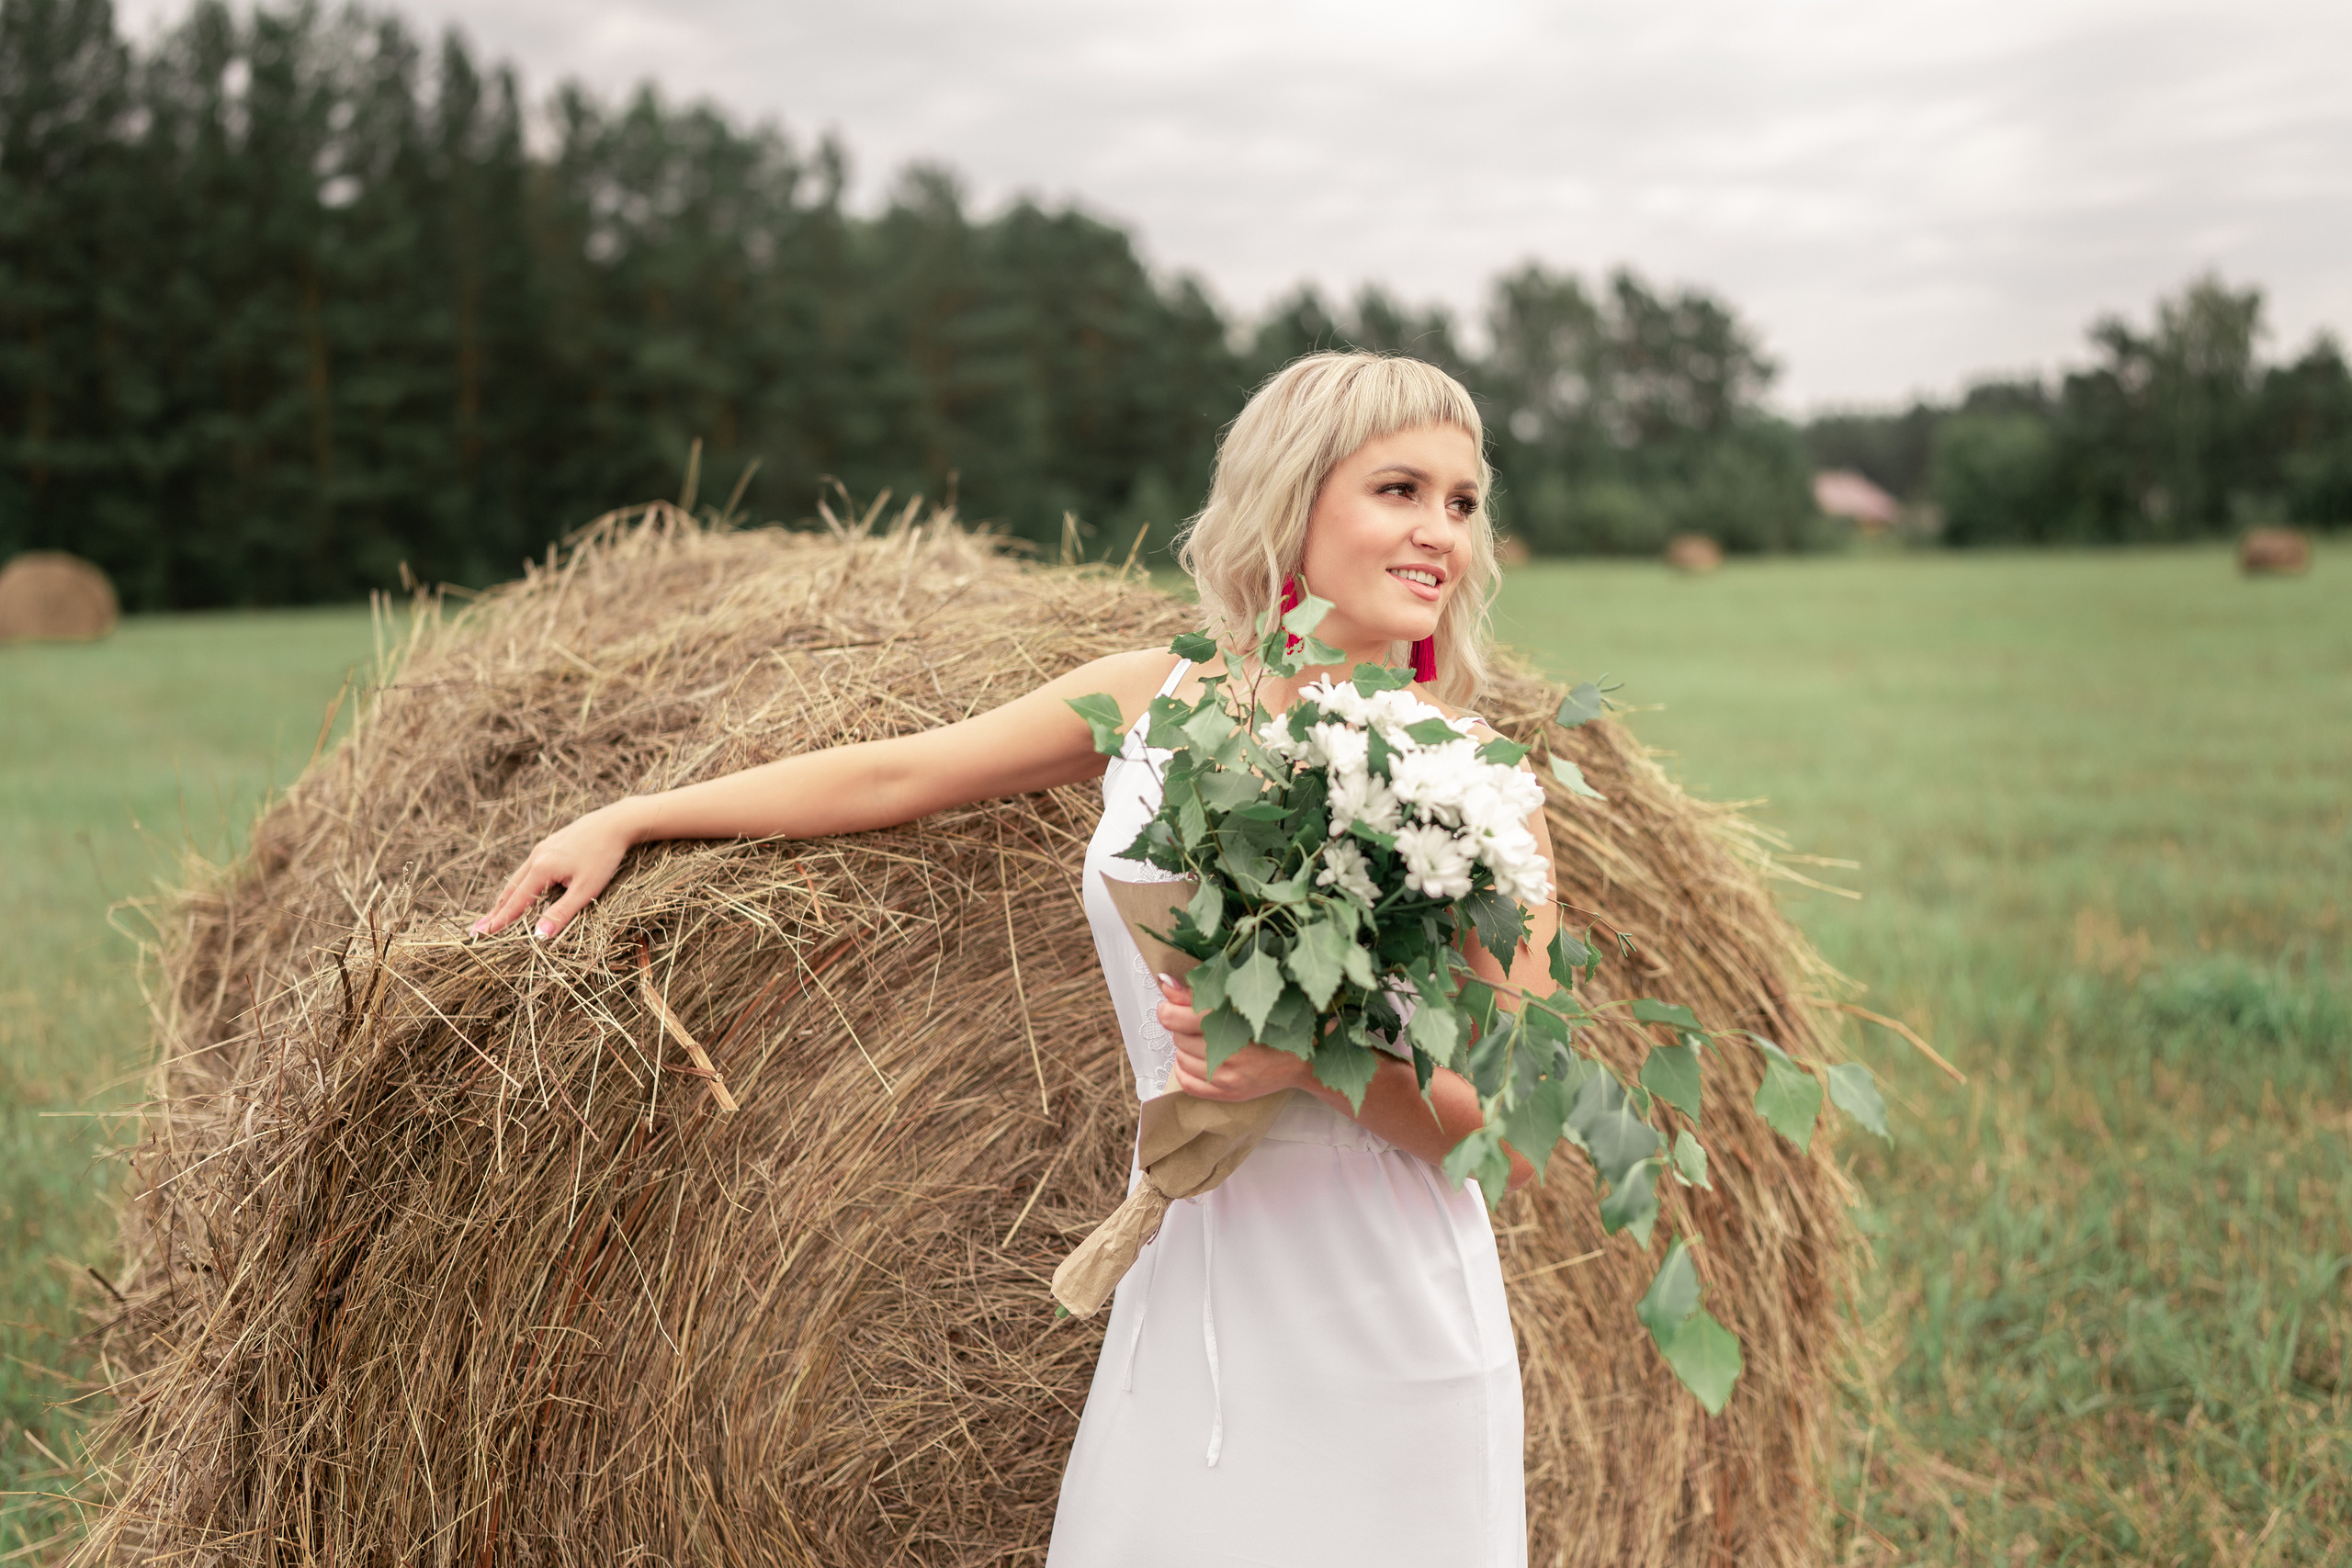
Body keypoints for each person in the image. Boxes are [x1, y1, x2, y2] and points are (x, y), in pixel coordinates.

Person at [472, 352, 1556, 1567]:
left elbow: (1508, 1132)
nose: (1442, 534)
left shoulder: (1473, 783)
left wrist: (1309, 1063)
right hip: (1194, 1276)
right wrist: (638, 816)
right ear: (1293, 500)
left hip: (1392, 1318)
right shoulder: (1157, 700)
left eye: (1463, 503)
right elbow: (899, 773)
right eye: (1400, 490)